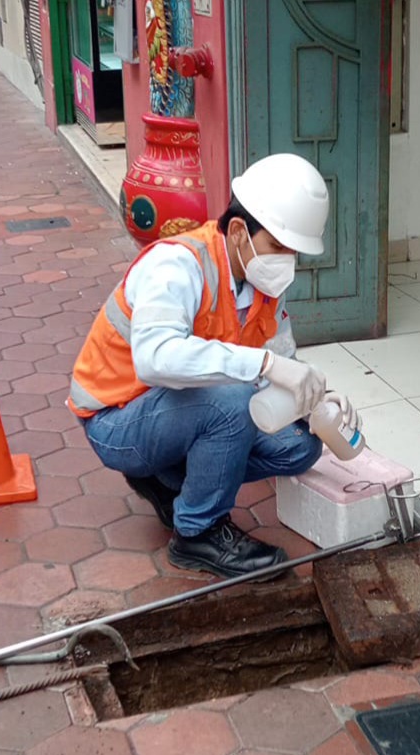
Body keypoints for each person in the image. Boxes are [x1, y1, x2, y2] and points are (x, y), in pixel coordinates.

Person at [68, 153, 360, 579]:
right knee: (233, 401)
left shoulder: (263, 288)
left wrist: (314, 399)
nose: (285, 263)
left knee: (301, 444)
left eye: (293, 252)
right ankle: (198, 533)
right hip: (117, 420)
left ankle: (170, 481)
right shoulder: (178, 265)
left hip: (180, 416)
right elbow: (157, 359)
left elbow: (282, 364)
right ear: (239, 231)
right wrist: (265, 365)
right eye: (277, 247)